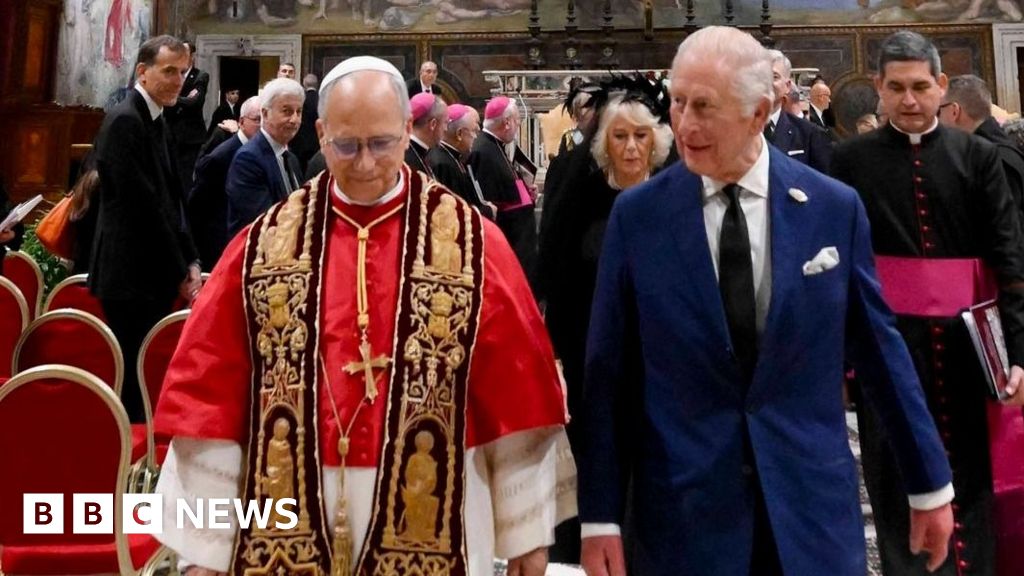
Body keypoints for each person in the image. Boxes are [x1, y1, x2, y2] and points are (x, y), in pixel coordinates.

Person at [153, 55, 575, 576]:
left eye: (381, 143)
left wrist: (527, 537)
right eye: (346, 145)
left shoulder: (471, 245)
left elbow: (516, 397)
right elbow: (211, 398)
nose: (366, 163)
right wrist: (204, 548)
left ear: (406, 131)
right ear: (321, 133)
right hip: (283, 514)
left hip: (437, 507)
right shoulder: (263, 246)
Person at [579, 26, 955, 576]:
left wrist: (928, 483)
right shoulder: (639, 219)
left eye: (704, 107)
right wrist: (600, 518)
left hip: (810, 512)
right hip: (684, 518)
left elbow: (880, 353)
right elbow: (606, 375)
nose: (684, 124)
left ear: (759, 113)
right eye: (678, 102)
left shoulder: (831, 209)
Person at [831, 30, 1024, 576]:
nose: (910, 100)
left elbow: (1010, 261)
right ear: (878, 89)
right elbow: (841, 267)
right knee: (893, 479)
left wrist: (1020, 354)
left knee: (973, 478)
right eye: (897, 88)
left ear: (941, 86)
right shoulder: (849, 162)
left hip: (968, 348)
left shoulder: (979, 157)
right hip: (885, 345)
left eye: (920, 87)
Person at [537, 74, 673, 565]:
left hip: (660, 353)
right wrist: (552, 355)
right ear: (604, 142)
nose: (632, 147)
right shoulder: (581, 190)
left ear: (656, 141)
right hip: (588, 348)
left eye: (641, 136)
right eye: (620, 137)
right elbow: (553, 272)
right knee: (593, 450)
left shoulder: (672, 193)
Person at [88, 35, 200, 423]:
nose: (178, 80)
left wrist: (191, 259)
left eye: (183, 72)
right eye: (169, 71)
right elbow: (144, 210)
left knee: (145, 374)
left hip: (150, 270)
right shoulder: (125, 121)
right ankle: (130, 458)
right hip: (129, 274)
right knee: (134, 380)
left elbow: (173, 197)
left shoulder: (156, 116)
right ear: (142, 71)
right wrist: (180, 270)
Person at [468, 96, 538, 289]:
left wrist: (525, 190)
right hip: (509, 239)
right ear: (506, 122)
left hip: (520, 237)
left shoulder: (496, 145)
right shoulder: (482, 150)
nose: (517, 126)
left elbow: (505, 185)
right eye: (517, 121)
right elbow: (487, 199)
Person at [188, 96, 261, 272]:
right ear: (242, 122)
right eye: (257, 120)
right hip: (218, 243)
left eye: (266, 119)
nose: (262, 125)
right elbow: (196, 205)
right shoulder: (222, 155)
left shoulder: (258, 151)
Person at [225, 77, 304, 236]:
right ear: (265, 114)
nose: (295, 119)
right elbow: (263, 222)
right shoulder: (248, 159)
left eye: (299, 111)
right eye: (287, 111)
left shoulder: (291, 158)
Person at [940, 74, 1024, 214]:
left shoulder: (994, 159)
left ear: (955, 111)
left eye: (939, 111)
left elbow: (1002, 228)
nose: (937, 119)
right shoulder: (995, 148)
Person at [764, 49, 832, 174]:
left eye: (774, 77)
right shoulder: (735, 129)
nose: (766, 82)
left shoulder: (808, 133)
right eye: (761, 76)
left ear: (788, 86)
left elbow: (822, 184)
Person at [427, 103, 494, 218]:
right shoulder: (443, 164)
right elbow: (455, 211)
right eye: (473, 131)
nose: (476, 137)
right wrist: (487, 211)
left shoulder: (454, 157)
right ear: (459, 134)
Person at [166, 40, 209, 194]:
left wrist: (172, 98)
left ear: (192, 56)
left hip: (191, 137)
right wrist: (180, 99)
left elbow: (194, 103)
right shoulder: (170, 74)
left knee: (185, 179)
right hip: (170, 134)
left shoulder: (200, 76)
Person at [405, 93, 447, 177]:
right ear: (433, 124)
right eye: (445, 123)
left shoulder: (421, 152)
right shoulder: (406, 160)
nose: (446, 129)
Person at [292, 73, 321, 173]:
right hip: (318, 143)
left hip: (301, 143)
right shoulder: (322, 100)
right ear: (317, 84)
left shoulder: (300, 100)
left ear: (304, 84)